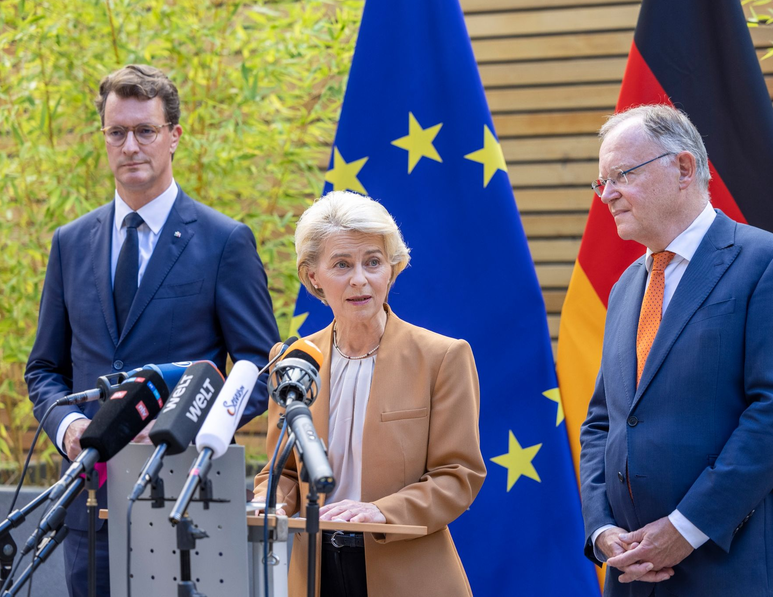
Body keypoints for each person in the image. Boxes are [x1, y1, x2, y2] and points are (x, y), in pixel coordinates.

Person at [25, 64, 280, 597]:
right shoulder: (70, 242)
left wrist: (178, 425)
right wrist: (69, 425)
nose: (131, 146)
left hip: (185, 501)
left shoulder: (224, 241)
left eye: (146, 131)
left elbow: (259, 370)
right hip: (87, 502)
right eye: (117, 133)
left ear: (175, 137)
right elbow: (45, 368)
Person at [579, 104, 773, 596]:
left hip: (734, 566)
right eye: (601, 182)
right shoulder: (625, 287)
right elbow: (603, 421)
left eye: (621, 175)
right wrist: (602, 530)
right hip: (634, 570)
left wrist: (685, 528)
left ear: (682, 168)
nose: (607, 194)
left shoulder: (770, 263)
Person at [253, 190, 485, 597]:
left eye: (373, 262)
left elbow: (458, 476)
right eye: (342, 264)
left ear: (392, 271)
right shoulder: (292, 359)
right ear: (313, 277)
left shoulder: (442, 357)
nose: (360, 279)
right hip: (314, 573)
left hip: (408, 576)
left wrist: (380, 511)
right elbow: (283, 470)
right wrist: (270, 501)